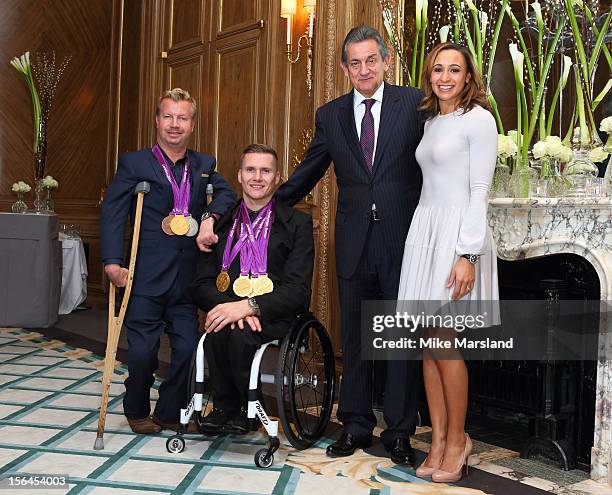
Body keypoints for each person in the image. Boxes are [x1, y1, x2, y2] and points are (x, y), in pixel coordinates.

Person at [275, 26, 423, 464]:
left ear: (386, 60)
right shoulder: (331, 114)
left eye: (371, 60)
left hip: (403, 241)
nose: (363, 69)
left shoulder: (415, 104)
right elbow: (309, 170)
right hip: (353, 242)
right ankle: (356, 426)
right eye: (354, 63)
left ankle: (398, 432)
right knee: (356, 339)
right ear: (344, 68)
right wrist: (265, 203)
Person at [100, 88, 236, 434]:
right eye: (168, 117)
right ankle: (135, 406)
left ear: (192, 124)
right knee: (143, 352)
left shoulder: (204, 165)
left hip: (186, 277)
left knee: (189, 349)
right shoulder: (135, 163)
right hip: (143, 275)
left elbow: (227, 194)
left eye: (183, 118)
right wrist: (112, 262)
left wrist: (209, 217)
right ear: (157, 121)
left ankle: (169, 410)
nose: (175, 125)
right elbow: (114, 213)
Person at [396, 43, 498, 482]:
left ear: (468, 76)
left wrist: (468, 254)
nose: (445, 77)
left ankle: (458, 441)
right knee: (428, 343)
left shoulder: (479, 119)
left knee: (444, 342)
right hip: (426, 232)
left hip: (458, 239)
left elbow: (479, 190)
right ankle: (437, 440)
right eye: (438, 69)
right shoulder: (433, 120)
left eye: (454, 69)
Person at [190, 143, 314, 433]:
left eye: (265, 171)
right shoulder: (219, 225)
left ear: (277, 177)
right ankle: (225, 407)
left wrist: (248, 307)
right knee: (220, 330)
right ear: (240, 175)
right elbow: (199, 283)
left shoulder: (298, 224)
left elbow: (298, 291)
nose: (257, 177)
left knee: (239, 334)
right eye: (251, 170)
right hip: (228, 308)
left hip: (274, 315)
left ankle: (246, 408)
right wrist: (229, 307)